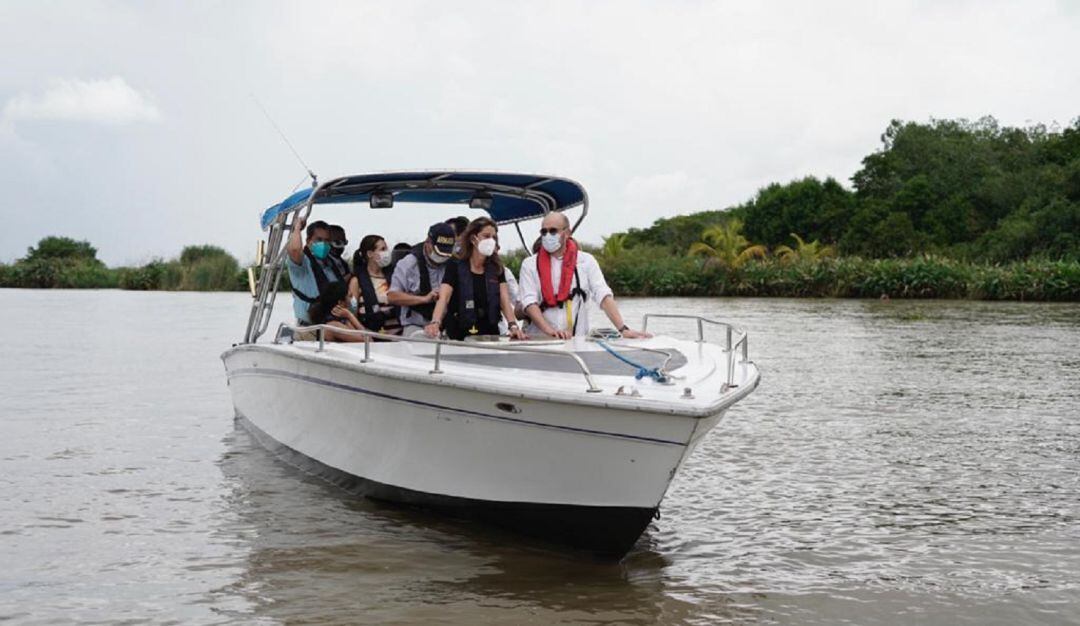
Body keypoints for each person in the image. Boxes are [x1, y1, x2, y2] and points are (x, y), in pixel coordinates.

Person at [518, 212, 650, 339]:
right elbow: (529, 301)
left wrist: (623, 329)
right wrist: (551, 332)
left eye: (553, 231)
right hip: (540, 340)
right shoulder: (529, 264)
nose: (548, 235)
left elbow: (602, 294)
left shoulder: (586, 261)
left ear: (567, 233)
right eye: (544, 232)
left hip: (577, 340)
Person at [424, 217, 527, 341]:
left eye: (494, 237)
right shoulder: (455, 265)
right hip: (459, 335)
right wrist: (435, 322)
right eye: (486, 236)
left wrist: (513, 325)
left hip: (490, 334)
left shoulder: (497, 268)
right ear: (473, 239)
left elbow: (504, 299)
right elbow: (444, 297)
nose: (491, 241)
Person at [387, 222, 456, 336]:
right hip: (416, 325)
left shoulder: (453, 264)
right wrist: (423, 299)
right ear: (428, 242)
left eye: (446, 253)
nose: (442, 257)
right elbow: (392, 296)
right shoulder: (408, 264)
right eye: (439, 252)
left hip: (447, 325)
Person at [286, 216, 347, 327]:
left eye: (326, 241)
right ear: (308, 241)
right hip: (311, 327)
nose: (323, 244)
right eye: (319, 240)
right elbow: (294, 250)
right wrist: (297, 227)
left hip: (336, 323)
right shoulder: (302, 263)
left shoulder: (331, 264)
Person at [347, 235, 402, 336]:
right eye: (382, 249)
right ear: (370, 254)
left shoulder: (394, 276)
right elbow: (352, 311)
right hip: (371, 337)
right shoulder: (357, 281)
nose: (387, 252)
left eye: (387, 249)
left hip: (398, 336)